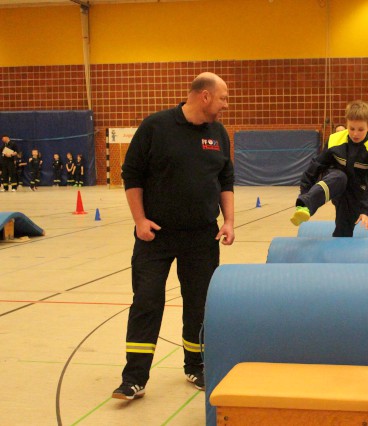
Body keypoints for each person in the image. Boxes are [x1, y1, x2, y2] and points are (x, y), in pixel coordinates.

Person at [113, 72, 235, 401]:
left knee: (199, 305)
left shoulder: (219, 134)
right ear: (205, 96)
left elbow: (226, 179)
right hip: (156, 236)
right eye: (223, 97)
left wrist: (229, 221)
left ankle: (196, 365)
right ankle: (134, 377)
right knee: (147, 302)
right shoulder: (156, 127)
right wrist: (139, 220)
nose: (226, 104)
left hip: (201, 238)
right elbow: (131, 174)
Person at [290, 100, 368, 237]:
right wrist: (304, 194)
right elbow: (315, 167)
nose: (355, 134)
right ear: (346, 124)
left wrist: (365, 210)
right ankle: (306, 206)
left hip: (355, 192)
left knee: (344, 230)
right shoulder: (335, 140)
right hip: (335, 181)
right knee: (339, 177)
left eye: (360, 129)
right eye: (351, 128)